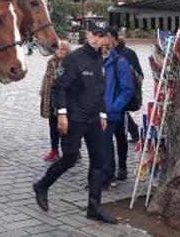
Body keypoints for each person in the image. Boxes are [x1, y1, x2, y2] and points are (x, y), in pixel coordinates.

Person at [32, 24, 116, 224]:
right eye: (93, 34)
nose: (96, 38)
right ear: (87, 34)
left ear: (105, 39)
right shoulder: (74, 59)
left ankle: (94, 207)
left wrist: (103, 113)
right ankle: (42, 185)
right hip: (75, 118)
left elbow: (99, 91)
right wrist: (62, 114)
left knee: (98, 161)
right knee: (70, 158)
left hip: (94, 118)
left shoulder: (99, 59)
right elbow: (59, 88)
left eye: (100, 36)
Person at [100, 35, 134, 187]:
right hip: (96, 111)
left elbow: (127, 90)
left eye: (108, 44)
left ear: (113, 44)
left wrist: (113, 107)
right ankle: (105, 175)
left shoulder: (120, 62)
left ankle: (108, 177)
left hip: (111, 112)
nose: (105, 47)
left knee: (106, 143)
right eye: (102, 44)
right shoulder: (96, 60)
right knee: (101, 144)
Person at [108, 28, 143, 144]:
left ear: (113, 37)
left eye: (106, 37)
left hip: (124, 94)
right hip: (110, 95)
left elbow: (139, 76)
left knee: (119, 130)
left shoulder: (128, 53)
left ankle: (133, 134)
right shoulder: (104, 53)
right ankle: (134, 132)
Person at [40, 40, 71, 162]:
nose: (60, 51)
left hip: (65, 101)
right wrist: (44, 94)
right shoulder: (51, 62)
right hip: (52, 100)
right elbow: (46, 80)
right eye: (58, 49)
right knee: (53, 126)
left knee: (67, 128)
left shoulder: (71, 64)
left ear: (67, 51)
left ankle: (71, 151)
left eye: (63, 49)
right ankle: (54, 150)